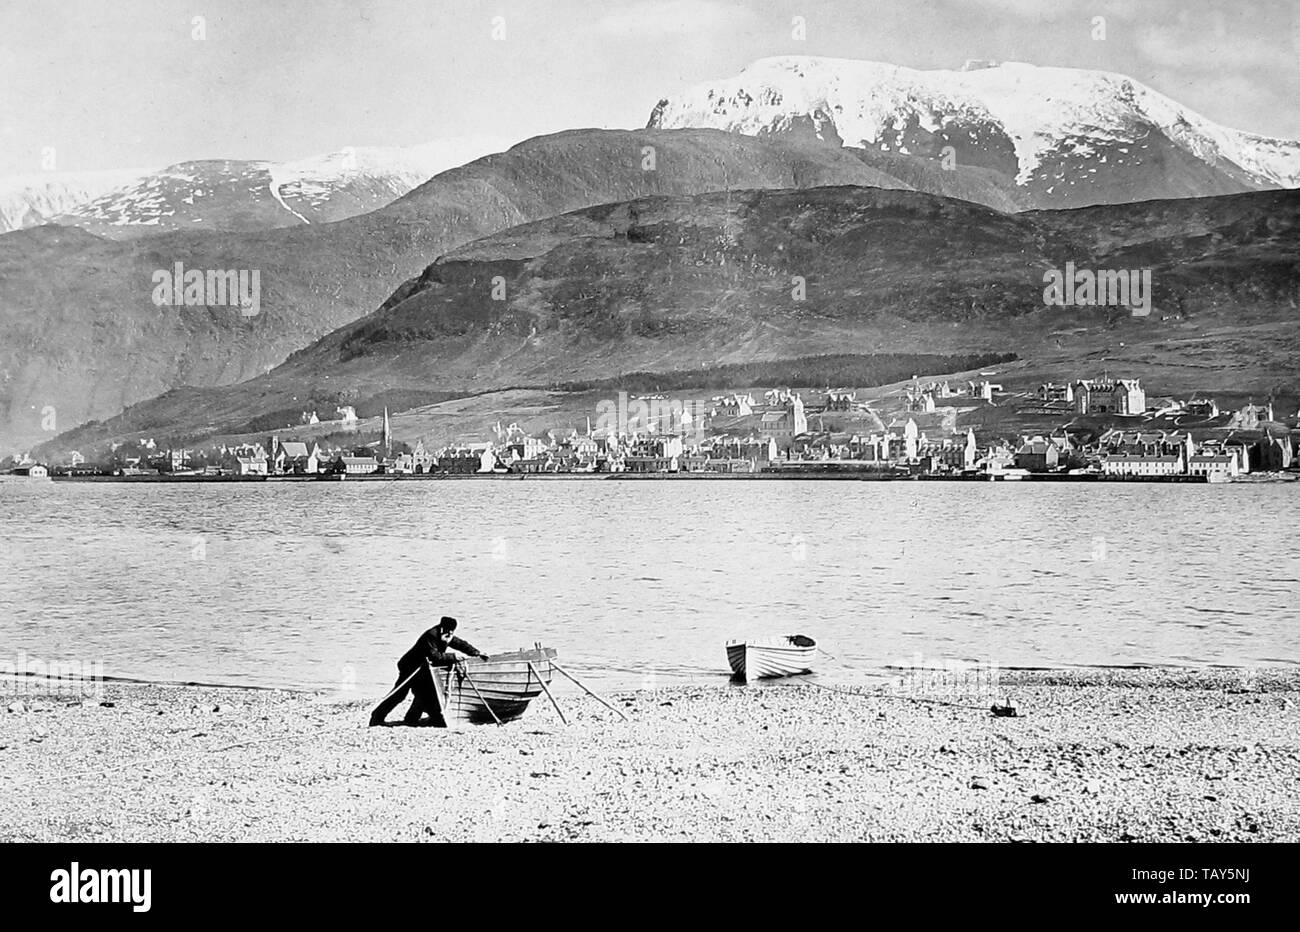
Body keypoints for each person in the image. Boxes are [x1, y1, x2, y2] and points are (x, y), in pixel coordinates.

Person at [369, 617, 489, 727]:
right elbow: (435, 656)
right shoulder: (431, 635)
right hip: (411, 667)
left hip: (423, 669)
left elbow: (461, 644)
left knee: (425, 693)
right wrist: (453, 657)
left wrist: (477, 653)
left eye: (452, 632)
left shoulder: (446, 635)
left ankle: (413, 719)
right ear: (441, 628)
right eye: (448, 632)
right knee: (399, 694)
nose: (450, 635)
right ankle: (377, 717)